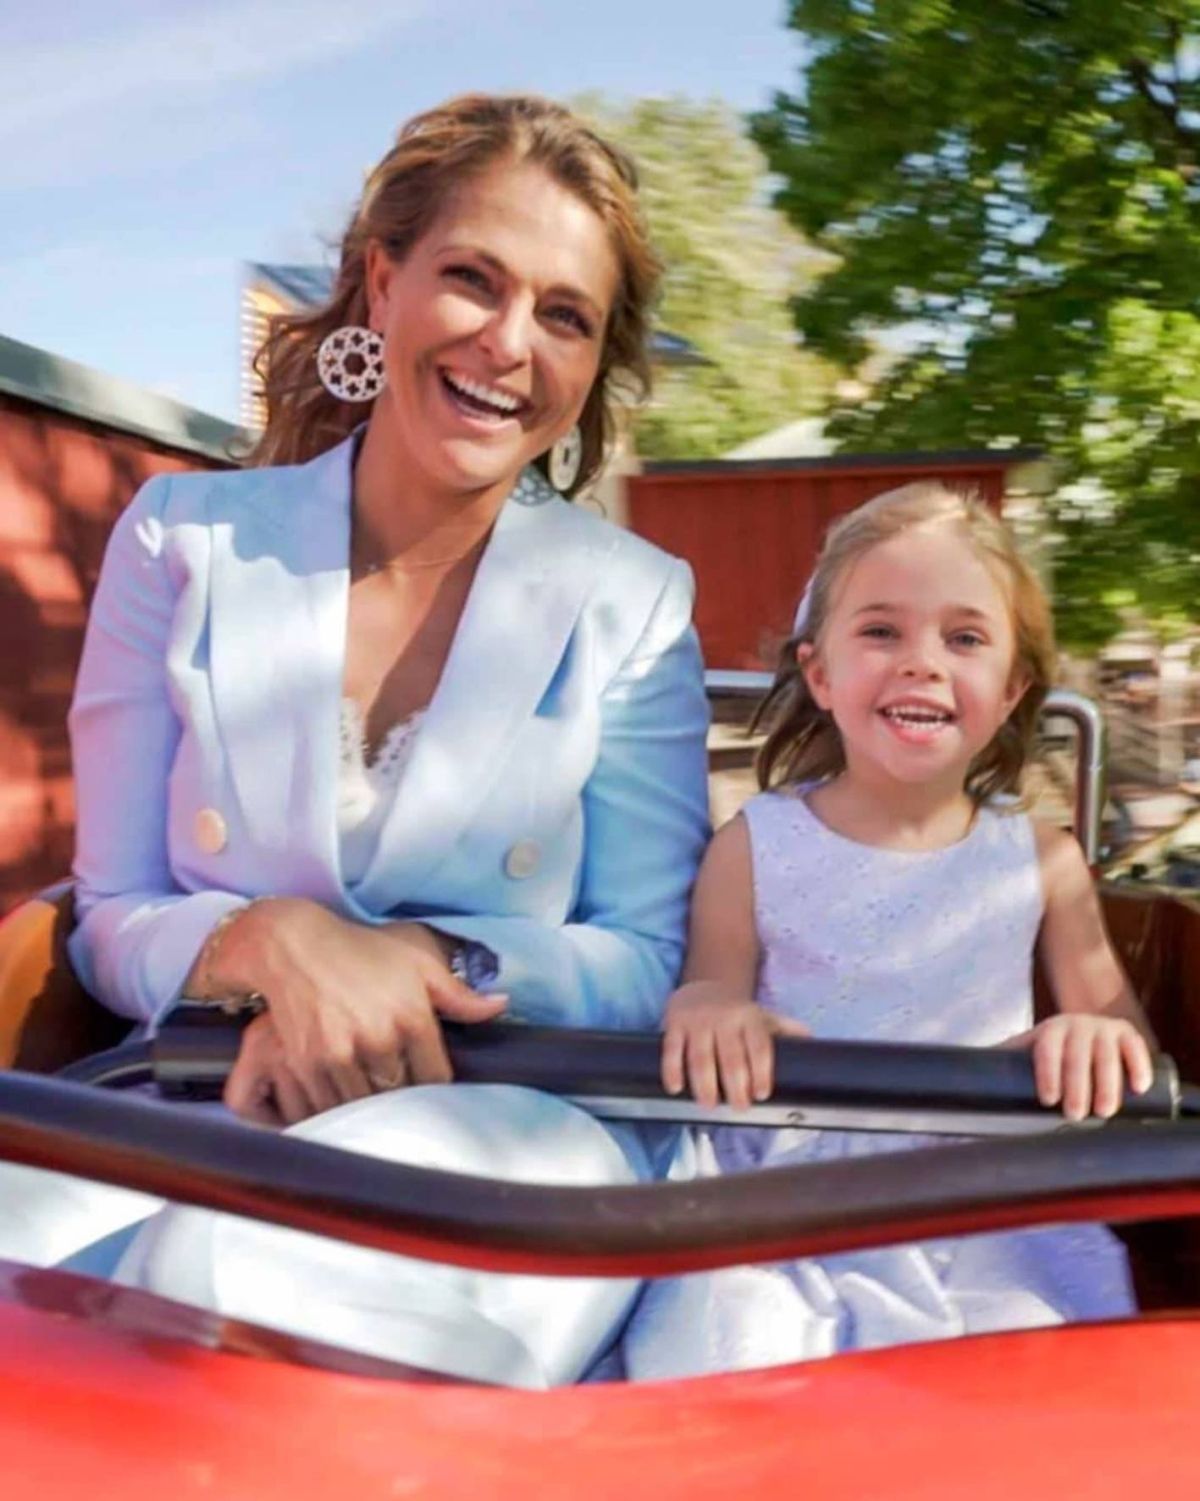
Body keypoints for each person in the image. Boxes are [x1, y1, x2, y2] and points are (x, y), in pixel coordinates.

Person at [2, 93, 710, 1386]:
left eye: (564, 315)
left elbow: (648, 959)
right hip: (202, 1080)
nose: (508, 343)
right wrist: (263, 941)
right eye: (473, 279)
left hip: (514, 1119)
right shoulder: (184, 542)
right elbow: (108, 913)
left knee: (234, 1283)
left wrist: (414, 961)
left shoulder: (634, 599)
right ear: (383, 283)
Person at [622, 480, 1154, 1381]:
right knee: (739, 1346)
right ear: (821, 674)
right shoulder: (752, 845)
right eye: (881, 631)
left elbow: (1125, 1042)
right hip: (791, 1193)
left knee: (1031, 1360)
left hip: (984, 1194)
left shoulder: (1042, 859)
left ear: (1011, 688)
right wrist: (712, 1012)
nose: (922, 664)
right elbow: (709, 990)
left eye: (965, 638)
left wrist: (1084, 1038)